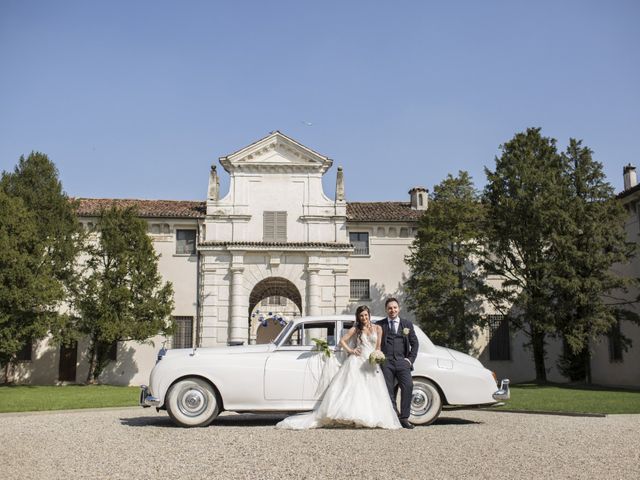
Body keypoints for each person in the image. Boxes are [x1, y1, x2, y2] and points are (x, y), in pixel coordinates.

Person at [276, 305, 401, 430]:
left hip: (371, 362)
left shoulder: (378, 328)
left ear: (369, 315)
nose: (364, 318)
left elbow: (378, 346)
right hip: (357, 361)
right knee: (356, 390)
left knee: (373, 391)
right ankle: (355, 417)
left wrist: (377, 355)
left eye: (366, 315)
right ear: (358, 317)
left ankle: (373, 418)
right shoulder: (356, 329)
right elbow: (342, 341)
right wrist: (351, 351)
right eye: (361, 316)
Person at [376, 297, 419, 429]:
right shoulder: (380, 324)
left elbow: (415, 343)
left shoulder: (407, 324)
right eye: (389, 308)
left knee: (408, 386)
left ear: (398, 309)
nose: (392, 310)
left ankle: (404, 418)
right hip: (386, 362)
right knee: (388, 390)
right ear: (386, 310)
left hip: (402, 362)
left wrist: (409, 360)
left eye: (394, 307)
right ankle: (394, 416)